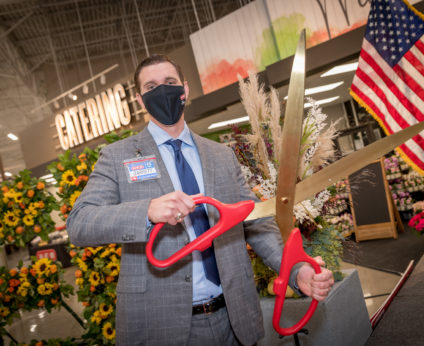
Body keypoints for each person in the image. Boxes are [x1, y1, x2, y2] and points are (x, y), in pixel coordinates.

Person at [67, 54, 334, 346]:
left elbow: (254, 223)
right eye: (151, 86)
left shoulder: (221, 155)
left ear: (185, 89)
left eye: (169, 83)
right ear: (140, 100)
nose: (162, 91)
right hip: (161, 325)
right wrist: (147, 211)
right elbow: (80, 223)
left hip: (234, 319)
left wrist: (296, 270)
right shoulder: (118, 157)